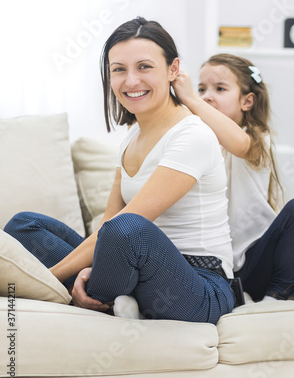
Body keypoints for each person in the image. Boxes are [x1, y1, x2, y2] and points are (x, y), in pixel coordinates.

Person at [4, 18, 237, 324]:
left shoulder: (192, 135)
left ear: (172, 69)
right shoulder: (130, 139)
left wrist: (39, 279)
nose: (130, 81)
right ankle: (106, 294)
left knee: (127, 229)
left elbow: (128, 225)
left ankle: (86, 293)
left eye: (144, 67)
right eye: (119, 69)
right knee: (25, 225)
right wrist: (95, 262)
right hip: (136, 268)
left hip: (199, 286)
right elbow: (105, 227)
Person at [172, 53, 294, 302]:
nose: (207, 95)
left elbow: (239, 145)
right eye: (201, 88)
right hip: (210, 262)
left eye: (219, 89)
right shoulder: (196, 139)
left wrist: (190, 98)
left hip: (253, 259)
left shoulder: (257, 139)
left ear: (247, 101)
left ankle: (273, 298)